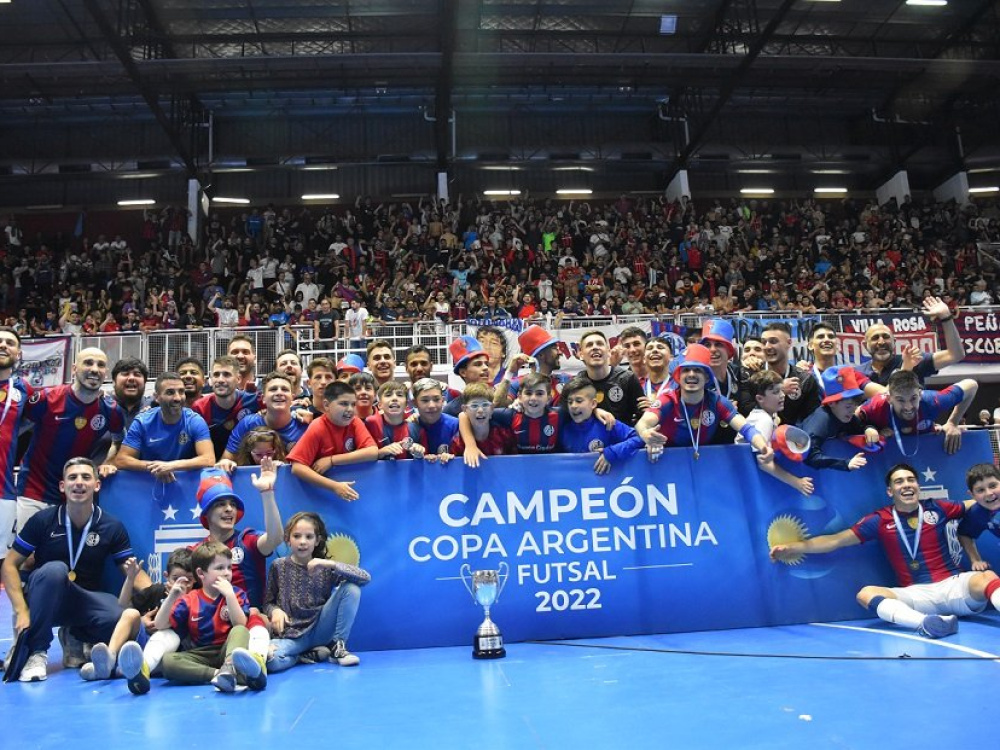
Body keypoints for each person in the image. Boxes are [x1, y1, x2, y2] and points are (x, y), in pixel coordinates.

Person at [770, 463, 1000, 639]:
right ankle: (927, 623)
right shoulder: (879, 520)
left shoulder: (938, 507)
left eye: (911, 480)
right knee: (866, 594)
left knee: (987, 578)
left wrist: (992, 499)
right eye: (899, 482)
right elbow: (836, 540)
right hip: (916, 595)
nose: (907, 485)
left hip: (953, 586)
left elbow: (978, 501)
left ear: (918, 486)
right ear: (890, 491)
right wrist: (794, 548)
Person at [2, 458, 149, 682]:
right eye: (72, 478)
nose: (79, 483)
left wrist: (159, 598)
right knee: (55, 570)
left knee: (122, 617)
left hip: (83, 602)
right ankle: (37, 652)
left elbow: (133, 571)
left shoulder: (111, 526)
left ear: (96, 485)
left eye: (86, 477)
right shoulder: (43, 520)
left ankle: (77, 637)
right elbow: (9, 564)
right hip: (44, 599)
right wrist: (21, 610)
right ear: (63, 486)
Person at [15, 348, 126, 536]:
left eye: (100, 365)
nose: (94, 369)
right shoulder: (46, 399)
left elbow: (119, 440)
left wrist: (109, 462)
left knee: (65, 558)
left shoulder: (111, 410)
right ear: (74, 369)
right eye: (88, 363)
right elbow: (13, 431)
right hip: (33, 491)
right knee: (26, 558)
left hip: (75, 496)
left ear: (105, 373)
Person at [264, 512, 371, 671]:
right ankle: (303, 656)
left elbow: (365, 577)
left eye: (309, 537)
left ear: (317, 541)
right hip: (292, 635)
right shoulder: (278, 566)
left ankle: (338, 647)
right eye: (297, 536)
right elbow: (267, 603)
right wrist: (275, 611)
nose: (302, 542)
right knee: (269, 660)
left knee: (351, 588)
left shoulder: (325, 567)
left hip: (321, 630)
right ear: (288, 539)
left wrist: (331, 564)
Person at [155, 541, 265, 692]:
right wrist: (172, 596)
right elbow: (160, 624)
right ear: (201, 574)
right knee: (168, 662)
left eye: (229, 567)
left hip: (229, 649)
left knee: (240, 630)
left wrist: (229, 596)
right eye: (219, 568)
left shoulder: (236, 593)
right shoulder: (190, 599)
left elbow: (240, 623)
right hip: (202, 654)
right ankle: (221, 675)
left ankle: (230, 667)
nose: (226, 573)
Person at [78, 548, 194, 689]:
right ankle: (111, 657)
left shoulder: (195, 597)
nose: (181, 584)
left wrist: (177, 600)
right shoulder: (157, 591)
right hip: (141, 643)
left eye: (188, 580)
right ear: (166, 576)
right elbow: (121, 606)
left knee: (167, 635)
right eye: (176, 579)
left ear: (196, 579)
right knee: (130, 614)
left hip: (170, 650)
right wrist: (130, 578)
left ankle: (126, 669)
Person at [635, 344, 774, 462]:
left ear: (707, 377)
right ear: (678, 377)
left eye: (697, 370)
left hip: (703, 461)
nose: (691, 374)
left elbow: (746, 429)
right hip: (668, 459)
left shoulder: (718, 401)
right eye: (686, 370)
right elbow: (643, 424)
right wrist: (647, 435)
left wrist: (763, 447)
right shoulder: (667, 400)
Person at [286, 381, 379, 501]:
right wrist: (334, 486)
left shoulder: (355, 422)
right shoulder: (317, 426)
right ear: (326, 405)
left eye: (353, 404)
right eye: (344, 404)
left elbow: (373, 452)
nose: (350, 409)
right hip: (317, 495)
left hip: (348, 492)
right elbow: (297, 468)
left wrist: (332, 460)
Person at [114, 372, 215, 481]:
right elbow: (121, 460)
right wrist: (157, 468)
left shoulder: (195, 421)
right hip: (150, 484)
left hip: (185, 484)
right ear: (157, 397)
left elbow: (208, 459)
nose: (177, 398)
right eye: (170, 392)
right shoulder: (142, 422)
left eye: (181, 392)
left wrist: (171, 466)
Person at [857, 369, 978, 456]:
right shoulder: (875, 406)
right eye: (900, 400)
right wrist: (868, 429)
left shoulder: (934, 401)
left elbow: (971, 385)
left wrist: (952, 423)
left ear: (920, 395)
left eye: (913, 398)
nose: (908, 407)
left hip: (926, 452)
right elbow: (851, 420)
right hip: (889, 457)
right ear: (889, 399)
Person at [857, 296, 965, 387]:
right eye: (875, 338)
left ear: (894, 342)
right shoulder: (858, 373)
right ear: (865, 345)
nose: (881, 342)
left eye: (885, 337)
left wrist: (946, 317)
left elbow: (955, 355)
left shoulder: (914, 360)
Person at [738, 370, 814, 495]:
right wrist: (796, 482)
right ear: (760, 398)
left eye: (781, 390)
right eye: (775, 392)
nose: (782, 395)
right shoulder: (763, 420)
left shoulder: (771, 415)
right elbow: (764, 464)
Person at [557, 377, 645, 475]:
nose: (573, 406)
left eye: (579, 401)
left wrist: (612, 453)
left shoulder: (607, 424)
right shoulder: (564, 430)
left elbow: (639, 438)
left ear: (593, 403)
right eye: (570, 402)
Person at [738, 322, 820, 426]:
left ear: (789, 343)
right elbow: (745, 411)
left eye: (773, 341)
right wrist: (778, 390)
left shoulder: (804, 379)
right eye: (764, 342)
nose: (767, 347)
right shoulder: (749, 374)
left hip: (791, 438)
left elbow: (810, 419)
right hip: (758, 437)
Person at [799, 366, 878, 472]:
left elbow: (859, 427)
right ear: (831, 403)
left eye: (855, 405)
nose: (853, 411)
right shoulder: (820, 423)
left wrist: (869, 429)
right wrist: (845, 464)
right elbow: (808, 457)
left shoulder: (844, 414)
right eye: (848, 406)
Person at [221, 372, 309, 462]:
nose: (279, 393)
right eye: (273, 389)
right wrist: (226, 463)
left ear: (292, 398)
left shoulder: (304, 425)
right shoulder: (247, 424)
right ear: (263, 398)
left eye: (284, 389)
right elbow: (226, 461)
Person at [191, 355, 261, 460]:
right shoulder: (199, 408)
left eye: (226, 375)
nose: (220, 380)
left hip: (245, 465)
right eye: (216, 375)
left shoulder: (254, 400)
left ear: (238, 379)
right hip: (212, 465)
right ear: (210, 380)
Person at [0, 327, 30, 558]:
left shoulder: (21, 390)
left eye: (9, 343)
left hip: (2, 492)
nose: (3, 345)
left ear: (18, 353)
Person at [573, 330, 644, 426]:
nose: (595, 347)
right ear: (581, 354)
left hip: (623, 439)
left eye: (600, 343)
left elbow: (642, 417)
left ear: (609, 351)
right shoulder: (576, 383)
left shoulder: (628, 378)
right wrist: (593, 410)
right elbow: (565, 413)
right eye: (589, 345)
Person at [494, 325, 570, 407]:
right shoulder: (517, 384)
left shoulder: (565, 380)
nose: (560, 353)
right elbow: (497, 406)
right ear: (541, 355)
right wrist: (510, 372)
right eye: (555, 348)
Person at [957, 463, 1000, 572]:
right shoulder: (977, 513)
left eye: (993, 486)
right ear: (972, 495)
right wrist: (975, 560)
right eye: (980, 490)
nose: (989, 493)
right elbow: (964, 534)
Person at [407, 378, 459, 462]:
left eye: (436, 399)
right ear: (414, 403)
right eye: (425, 400)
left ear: (442, 400)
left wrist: (452, 457)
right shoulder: (410, 427)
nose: (431, 405)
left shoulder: (456, 425)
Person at [444, 336, 492, 416]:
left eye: (486, 364)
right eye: (478, 364)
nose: (485, 368)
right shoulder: (451, 410)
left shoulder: (499, 400)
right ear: (463, 372)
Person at [365, 380, 414, 458]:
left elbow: (426, 458)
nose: (394, 398)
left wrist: (420, 453)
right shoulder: (371, 424)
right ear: (380, 405)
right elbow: (362, 456)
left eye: (399, 395)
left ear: (406, 405)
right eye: (388, 395)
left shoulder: (415, 428)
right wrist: (381, 452)